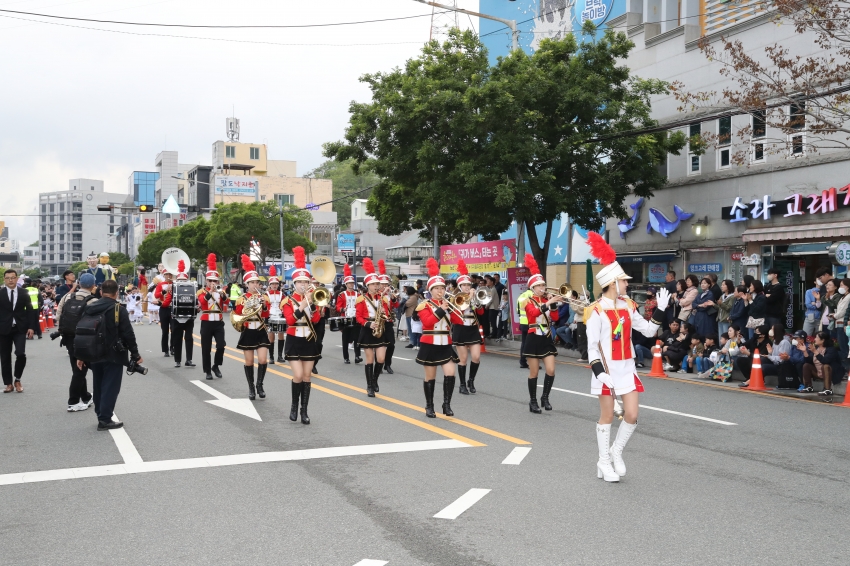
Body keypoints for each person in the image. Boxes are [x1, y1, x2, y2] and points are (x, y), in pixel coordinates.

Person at [584, 232, 670, 482]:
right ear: (613, 283)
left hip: (627, 368)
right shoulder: (596, 311)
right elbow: (591, 348)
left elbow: (650, 330)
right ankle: (603, 461)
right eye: (624, 281)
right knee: (608, 416)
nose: (627, 284)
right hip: (606, 371)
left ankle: (616, 451)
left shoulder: (629, 305)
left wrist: (661, 311)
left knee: (631, 415)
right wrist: (600, 373)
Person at [75, 280, 142, 430]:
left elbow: (81, 331)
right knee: (111, 386)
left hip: (92, 352)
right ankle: (105, 419)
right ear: (117, 292)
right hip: (113, 354)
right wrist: (135, 354)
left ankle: (100, 413)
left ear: (100, 292)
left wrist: (80, 355)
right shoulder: (118, 309)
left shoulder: (89, 307)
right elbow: (128, 334)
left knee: (98, 384)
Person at [415, 258, 460, 418]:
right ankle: (429, 405)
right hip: (430, 344)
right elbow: (427, 323)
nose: (441, 291)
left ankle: (446, 404)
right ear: (431, 290)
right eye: (437, 288)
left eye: (442, 287)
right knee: (430, 377)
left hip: (445, 344)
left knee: (450, 374)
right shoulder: (424, 305)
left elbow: (458, 321)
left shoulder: (449, 303)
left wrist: (461, 307)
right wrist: (441, 310)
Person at [282, 247, 323, 424]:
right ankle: (293, 405)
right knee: (297, 375)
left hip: (308, 340)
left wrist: (312, 305)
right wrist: (302, 305)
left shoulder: (312, 299)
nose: (303, 285)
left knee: (307, 377)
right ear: (294, 283)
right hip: (293, 340)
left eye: (305, 282)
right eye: (299, 282)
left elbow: (315, 320)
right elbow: (290, 320)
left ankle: (304, 411)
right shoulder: (288, 301)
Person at [520, 254, 562, 413]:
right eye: (539, 286)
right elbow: (535, 313)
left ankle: (545, 397)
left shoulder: (547, 301)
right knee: (534, 371)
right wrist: (549, 302)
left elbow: (556, 318)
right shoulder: (527, 301)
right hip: (533, 338)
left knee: (551, 370)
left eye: (543, 285)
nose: (542, 288)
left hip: (546, 338)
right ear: (532, 288)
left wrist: (554, 304)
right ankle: (532, 401)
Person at [56, 273, 98, 411]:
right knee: (80, 370)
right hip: (85, 339)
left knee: (77, 367)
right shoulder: (92, 301)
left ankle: (85, 397)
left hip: (68, 336)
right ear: (93, 286)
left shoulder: (67, 296)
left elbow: (58, 314)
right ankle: (73, 401)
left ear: (79, 284)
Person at [234, 255, 271, 401]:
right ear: (247, 284)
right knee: (249, 362)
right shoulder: (242, 298)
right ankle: (251, 387)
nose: (256, 285)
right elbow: (238, 315)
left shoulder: (264, 297)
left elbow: (266, 314)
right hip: (248, 330)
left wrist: (263, 304)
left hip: (260, 329)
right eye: (253, 282)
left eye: (257, 282)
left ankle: (259, 384)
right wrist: (246, 309)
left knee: (262, 360)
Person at [448, 259, 485, 395]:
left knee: (476, 357)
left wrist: (475, 300)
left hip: (473, 329)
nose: (467, 287)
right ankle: (462, 384)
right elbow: (456, 315)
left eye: (468, 285)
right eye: (464, 285)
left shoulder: (474, 296)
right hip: (460, 329)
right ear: (460, 286)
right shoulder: (455, 298)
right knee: (463, 359)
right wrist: (468, 299)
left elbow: (481, 312)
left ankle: (471, 380)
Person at [355, 258, 390, 397]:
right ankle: (369, 386)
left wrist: (384, 315)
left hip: (380, 328)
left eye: (378, 284)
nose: (377, 286)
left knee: (380, 359)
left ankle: (375, 380)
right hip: (367, 328)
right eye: (374, 284)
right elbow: (358, 317)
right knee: (369, 359)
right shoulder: (361, 299)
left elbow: (387, 314)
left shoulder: (383, 299)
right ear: (368, 285)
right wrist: (368, 324)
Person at [0, 269, 37, 393]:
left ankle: (17, 379)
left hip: (20, 328)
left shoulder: (24, 293)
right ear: (4, 280)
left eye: (13, 277)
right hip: (3, 329)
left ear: (17, 279)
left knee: (20, 354)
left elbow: (31, 310)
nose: (10, 280)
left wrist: (32, 327)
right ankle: (8, 383)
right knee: (5, 357)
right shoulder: (1, 293)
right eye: (8, 278)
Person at [198, 254, 226, 381]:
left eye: (215, 281)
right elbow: (203, 302)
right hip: (206, 322)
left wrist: (222, 294)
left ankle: (216, 366)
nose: (213, 283)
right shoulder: (201, 292)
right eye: (210, 281)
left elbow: (226, 302)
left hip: (218, 322)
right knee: (206, 348)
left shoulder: (221, 292)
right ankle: (207, 370)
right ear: (206, 281)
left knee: (221, 345)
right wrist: (210, 292)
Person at [796, 331, 842, 396]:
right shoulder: (816, 348)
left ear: (823, 340)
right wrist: (804, 351)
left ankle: (827, 389)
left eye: (817, 338)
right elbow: (809, 361)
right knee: (806, 365)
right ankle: (808, 386)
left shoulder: (831, 350)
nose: (815, 339)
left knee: (825, 366)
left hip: (830, 373)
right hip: (818, 372)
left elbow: (825, 360)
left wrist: (815, 351)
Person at [169, 261, 196, 369]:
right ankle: (177, 360)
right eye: (180, 280)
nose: (182, 282)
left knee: (189, 338)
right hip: (176, 317)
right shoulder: (172, 289)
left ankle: (189, 359)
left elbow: (195, 300)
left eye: (184, 280)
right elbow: (166, 301)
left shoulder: (192, 288)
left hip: (189, 317)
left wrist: (197, 307)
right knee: (177, 338)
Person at [336, 265, 363, 364]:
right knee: (345, 339)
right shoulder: (341, 294)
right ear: (346, 284)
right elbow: (338, 307)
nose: (351, 284)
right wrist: (343, 309)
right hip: (345, 318)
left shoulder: (358, 294)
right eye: (349, 283)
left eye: (352, 283)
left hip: (356, 318)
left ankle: (357, 356)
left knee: (357, 338)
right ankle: (346, 357)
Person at [378, 260, 399, 375]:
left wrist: (393, 298)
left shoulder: (389, 295)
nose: (385, 286)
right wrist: (383, 294)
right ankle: (379, 365)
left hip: (388, 321)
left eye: (386, 284)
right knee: (379, 345)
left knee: (391, 344)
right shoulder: (376, 295)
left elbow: (396, 305)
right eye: (383, 284)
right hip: (379, 322)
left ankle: (388, 364)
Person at [264, 266, 285, 365]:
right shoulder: (266, 294)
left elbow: (285, 304)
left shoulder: (282, 294)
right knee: (271, 337)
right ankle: (271, 357)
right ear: (270, 284)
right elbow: (265, 306)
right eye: (273, 284)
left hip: (280, 316)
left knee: (281, 335)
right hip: (270, 316)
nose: (275, 285)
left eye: (276, 283)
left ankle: (280, 356)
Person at [154, 270, 175, 357]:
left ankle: (172, 348)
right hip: (163, 308)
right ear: (164, 275)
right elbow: (156, 295)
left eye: (170, 274)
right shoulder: (160, 284)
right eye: (166, 274)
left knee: (174, 329)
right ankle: (165, 349)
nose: (168, 276)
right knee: (165, 330)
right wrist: (164, 291)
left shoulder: (175, 284)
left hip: (173, 308)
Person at [516, 285, 534, 369]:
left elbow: (517, 310)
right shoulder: (533, 295)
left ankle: (522, 362)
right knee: (531, 343)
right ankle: (532, 363)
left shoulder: (521, 295)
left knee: (524, 343)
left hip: (523, 322)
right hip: (531, 322)